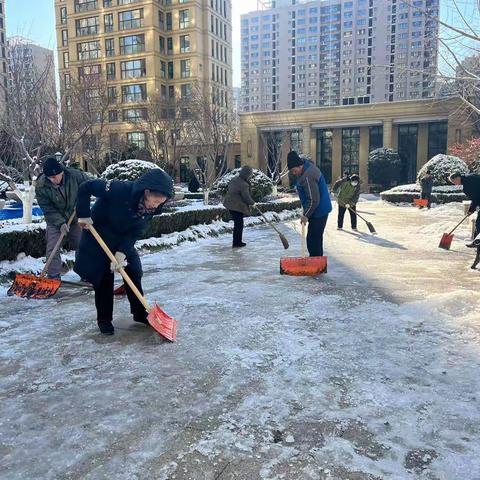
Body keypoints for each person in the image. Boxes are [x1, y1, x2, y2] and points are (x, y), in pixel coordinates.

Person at [74, 169, 174, 335]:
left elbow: (135, 232)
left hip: (121, 239)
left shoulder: (150, 209)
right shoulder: (118, 189)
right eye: (155, 200)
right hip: (99, 235)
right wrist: (83, 214)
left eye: (160, 202)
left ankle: (140, 313)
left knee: (134, 270)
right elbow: (86, 187)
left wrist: (122, 253)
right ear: (146, 192)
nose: (156, 205)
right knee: (104, 278)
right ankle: (104, 320)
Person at [35, 156, 91, 279]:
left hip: (75, 216)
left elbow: (90, 185)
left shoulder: (75, 176)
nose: (53, 179)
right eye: (50, 177)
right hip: (55, 220)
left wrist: (83, 201)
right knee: (53, 248)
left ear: (61, 172)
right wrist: (60, 223)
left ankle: (86, 274)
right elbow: (47, 209)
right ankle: (53, 277)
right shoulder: (41, 186)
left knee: (82, 244)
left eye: (55, 176)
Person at [287, 151, 332, 256]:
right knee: (314, 238)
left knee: (313, 240)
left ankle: (316, 264)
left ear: (300, 165)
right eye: (292, 171)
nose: (294, 173)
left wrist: (306, 215)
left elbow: (313, 200)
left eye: (294, 170)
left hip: (319, 211)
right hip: (317, 210)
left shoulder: (308, 176)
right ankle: (317, 262)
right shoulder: (306, 169)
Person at [223, 165, 256, 248]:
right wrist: (253, 203)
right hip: (236, 206)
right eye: (250, 175)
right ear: (246, 174)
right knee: (239, 224)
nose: (250, 177)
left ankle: (236, 242)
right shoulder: (244, 184)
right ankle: (237, 243)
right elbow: (246, 197)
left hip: (229, 204)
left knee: (238, 224)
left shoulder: (234, 179)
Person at [449, 172, 480, 248]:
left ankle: (477, 243)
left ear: (457, 178)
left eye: (454, 182)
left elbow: (475, 198)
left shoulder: (467, 185)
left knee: (479, 223)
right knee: (478, 223)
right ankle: (476, 242)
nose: (455, 184)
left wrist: (471, 210)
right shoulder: (469, 177)